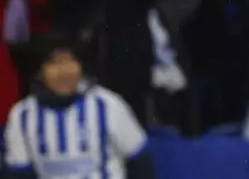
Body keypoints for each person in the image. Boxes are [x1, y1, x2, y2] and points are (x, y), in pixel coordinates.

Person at [2, 33, 155, 179]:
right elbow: (19, 174)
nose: (64, 71)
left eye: (70, 61)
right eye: (54, 63)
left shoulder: (107, 105)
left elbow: (140, 162)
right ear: (39, 72)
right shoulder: (22, 115)